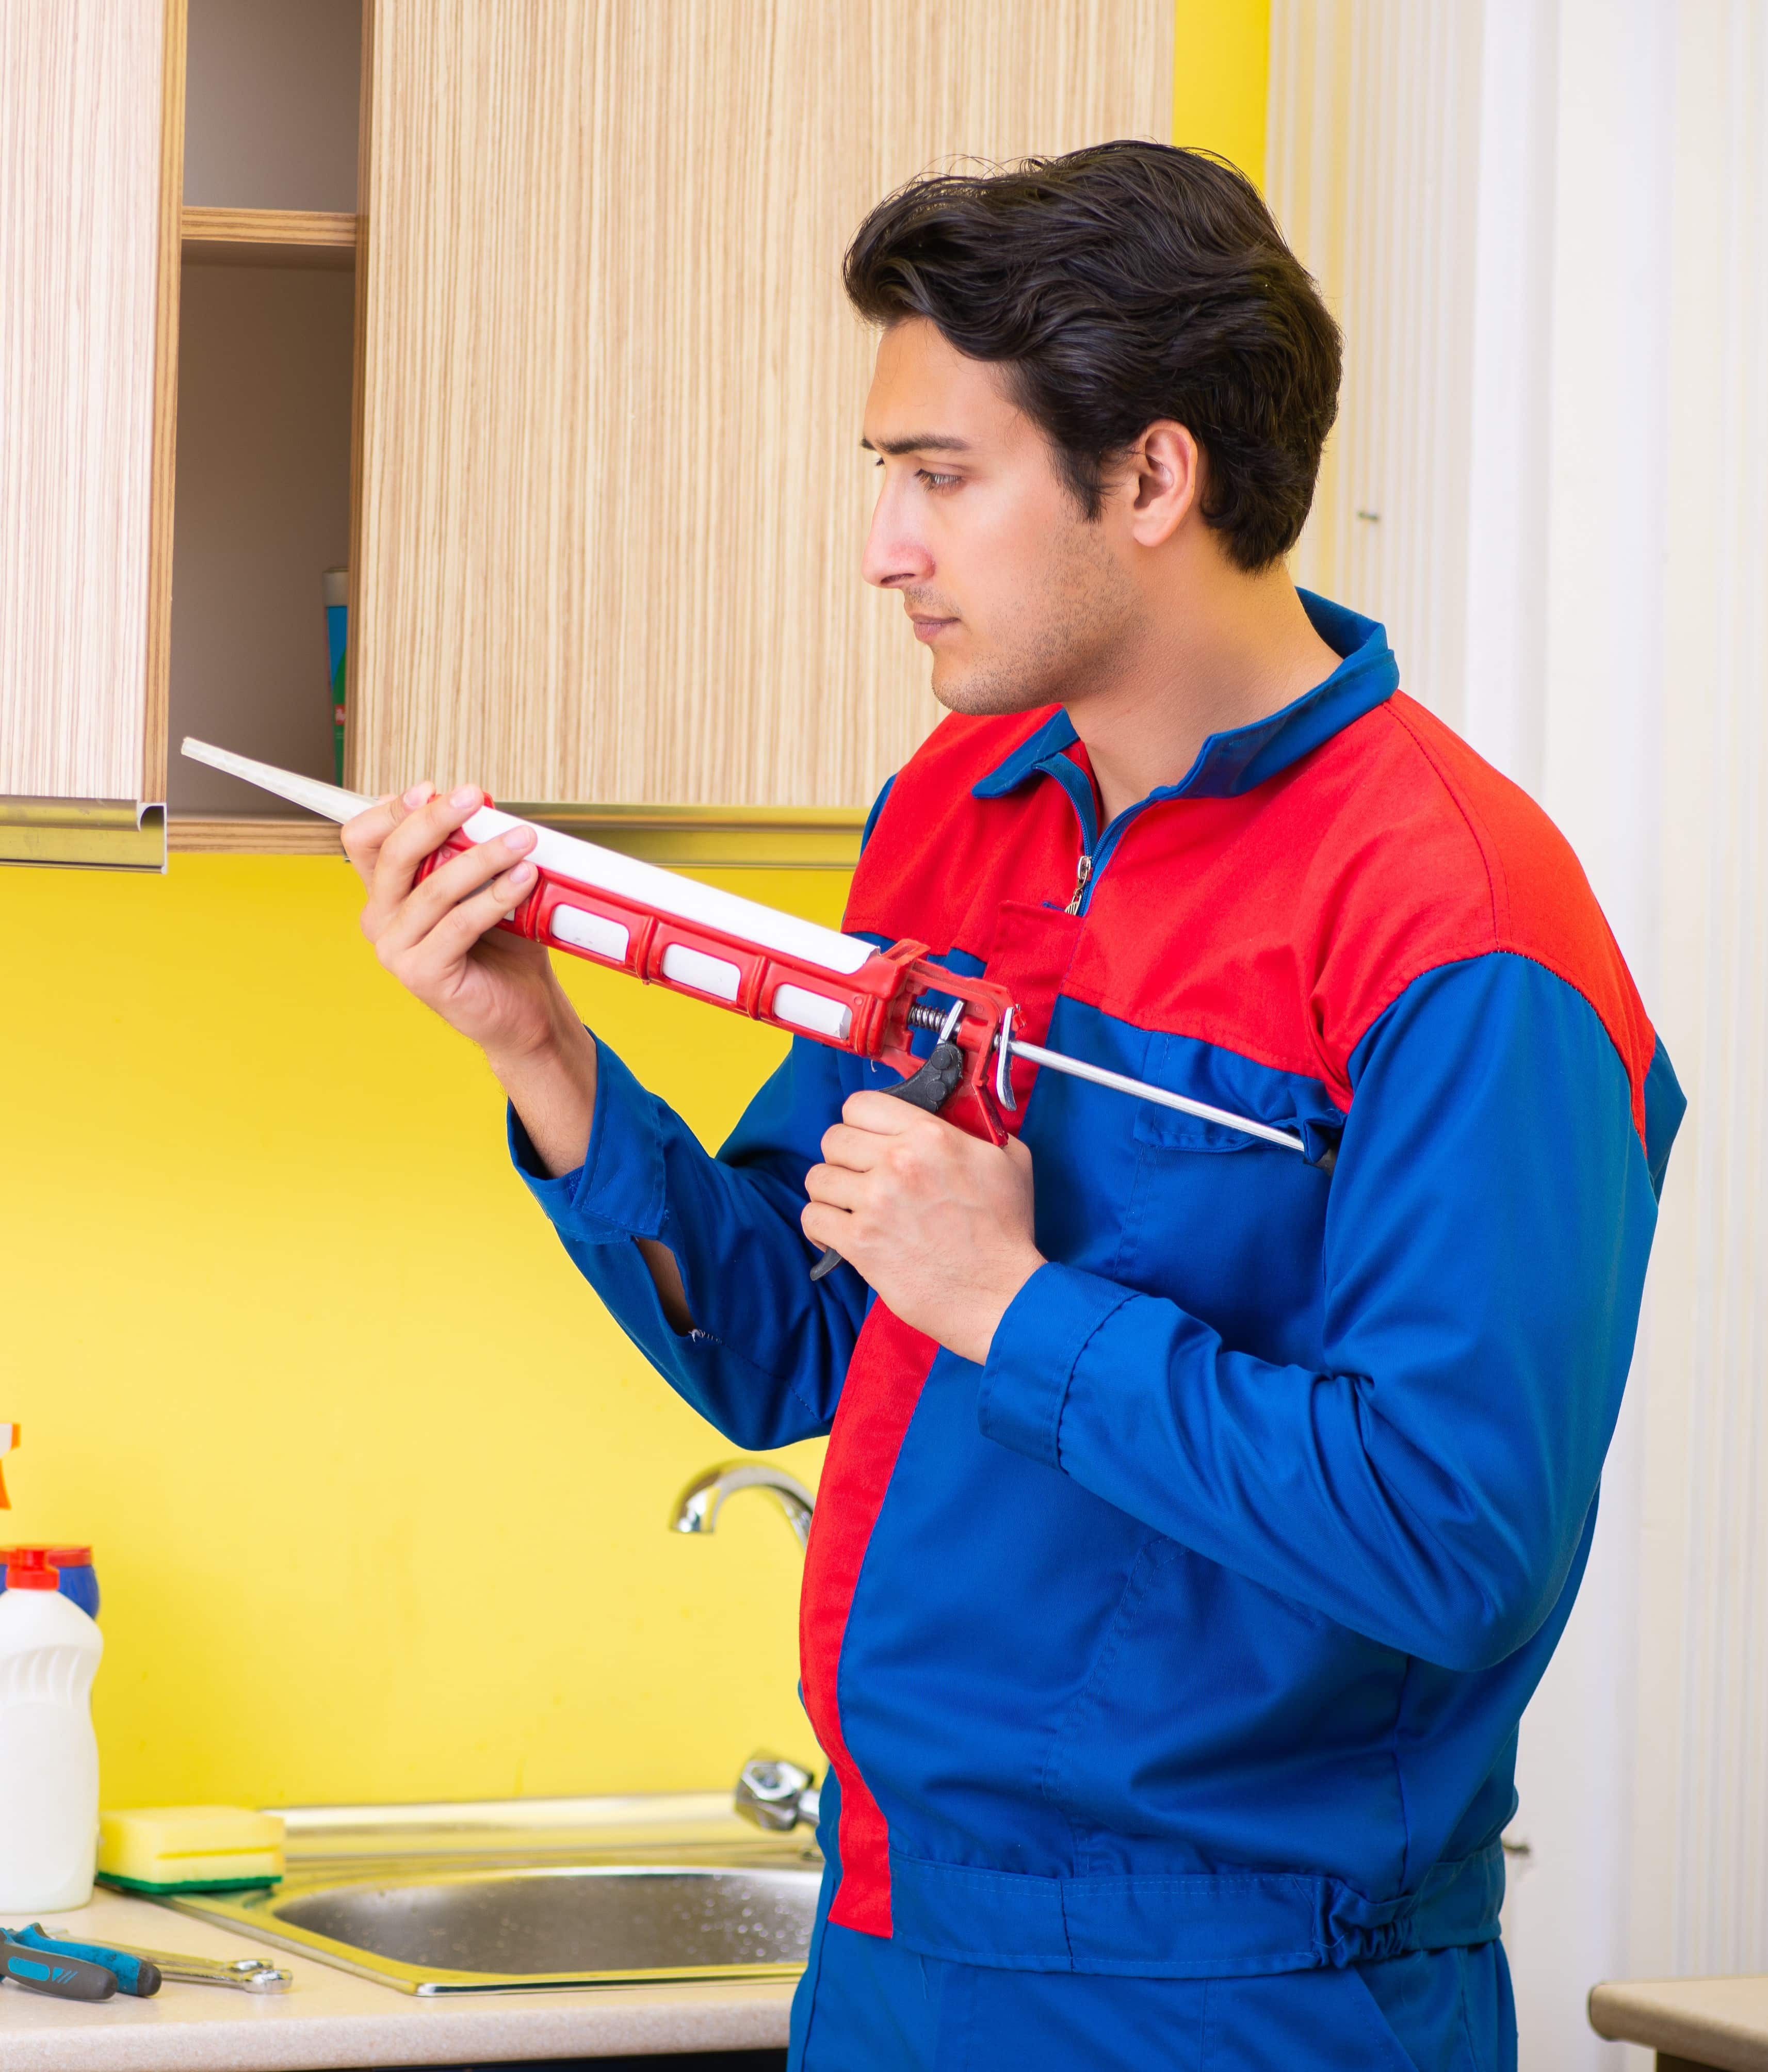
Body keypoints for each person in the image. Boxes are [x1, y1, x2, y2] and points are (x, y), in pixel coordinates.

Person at [341, 143, 1682, 2071]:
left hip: (1251, 1998)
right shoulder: (951, 824)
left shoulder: (1459, 923)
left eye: (938, 478)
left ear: (1152, 478)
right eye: (887, 478)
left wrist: (1015, 1306)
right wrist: (536, 1053)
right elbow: (795, 1341)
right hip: (901, 1952)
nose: (885, 546)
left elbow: (1455, 1538)